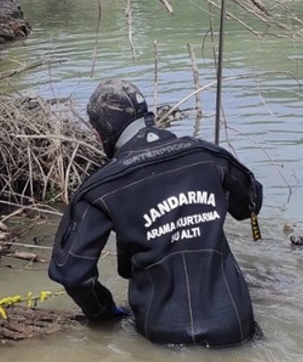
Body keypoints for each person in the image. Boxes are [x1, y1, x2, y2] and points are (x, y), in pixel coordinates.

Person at [48, 79, 263, 347]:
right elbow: (250, 205)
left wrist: (103, 314)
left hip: (160, 332)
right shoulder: (209, 156)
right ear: (147, 116)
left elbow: (71, 273)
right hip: (233, 324)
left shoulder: (99, 188)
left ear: (100, 133)